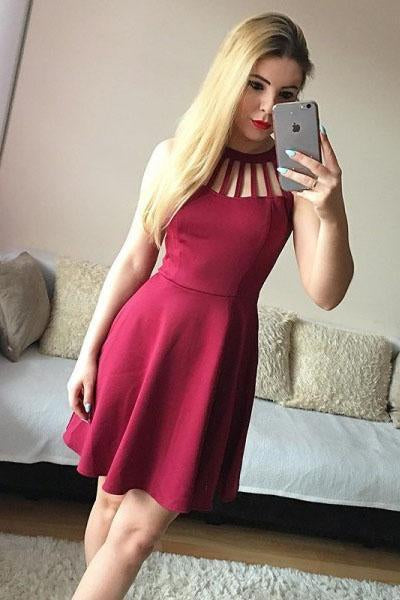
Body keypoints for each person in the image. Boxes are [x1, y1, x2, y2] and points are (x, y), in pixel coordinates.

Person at [63, 11, 353, 599]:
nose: (268, 107)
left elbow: (326, 292)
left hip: (213, 361)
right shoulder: (176, 155)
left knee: (137, 535)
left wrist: (332, 208)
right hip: (141, 342)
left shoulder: (294, 180)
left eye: (287, 93)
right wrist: (88, 353)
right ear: (229, 77)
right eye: (255, 84)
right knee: (109, 502)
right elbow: (134, 259)